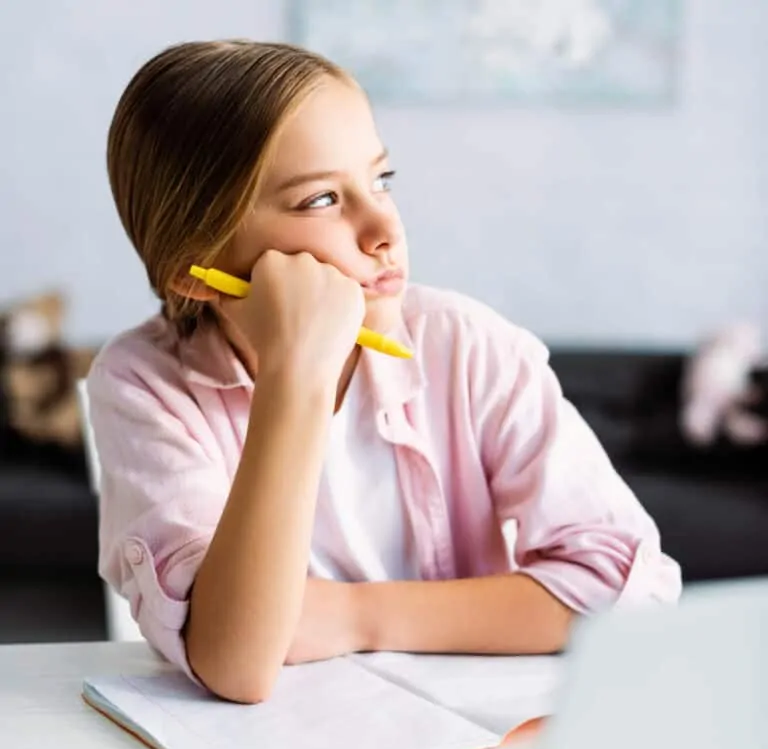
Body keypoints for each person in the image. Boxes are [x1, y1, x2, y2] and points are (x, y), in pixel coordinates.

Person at [88, 39, 681, 704]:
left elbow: (630, 591)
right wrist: (296, 375)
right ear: (194, 268)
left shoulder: (468, 347)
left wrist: (354, 616)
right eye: (319, 200)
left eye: (381, 181)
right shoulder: (141, 383)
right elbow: (236, 663)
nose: (382, 228)